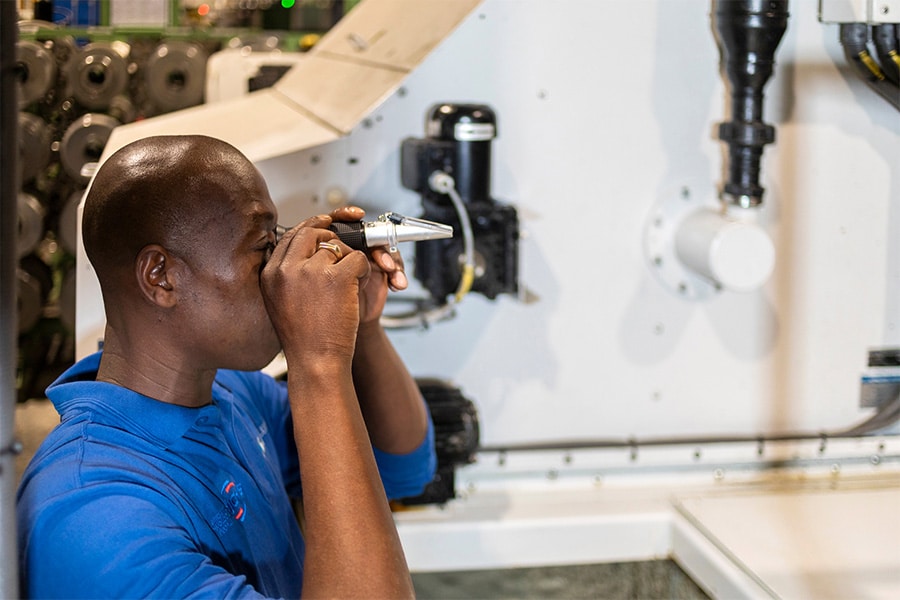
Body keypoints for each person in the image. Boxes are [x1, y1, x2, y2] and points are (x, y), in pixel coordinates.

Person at [16, 135, 437, 598]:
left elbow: (402, 467)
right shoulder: (94, 518)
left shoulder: (232, 393)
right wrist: (319, 362)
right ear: (161, 276)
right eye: (264, 246)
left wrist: (363, 329)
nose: (282, 271)